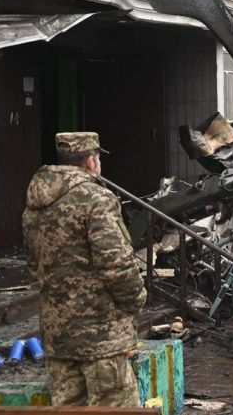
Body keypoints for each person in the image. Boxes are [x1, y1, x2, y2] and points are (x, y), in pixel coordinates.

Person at [22, 132, 146, 406]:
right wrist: (136, 300)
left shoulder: (36, 201)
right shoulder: (96, 199)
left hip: (58, 334)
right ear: (91, 161)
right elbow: (117, 264)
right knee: (115, 405)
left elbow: (33, 266)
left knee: (69, 408)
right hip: (102, 336)